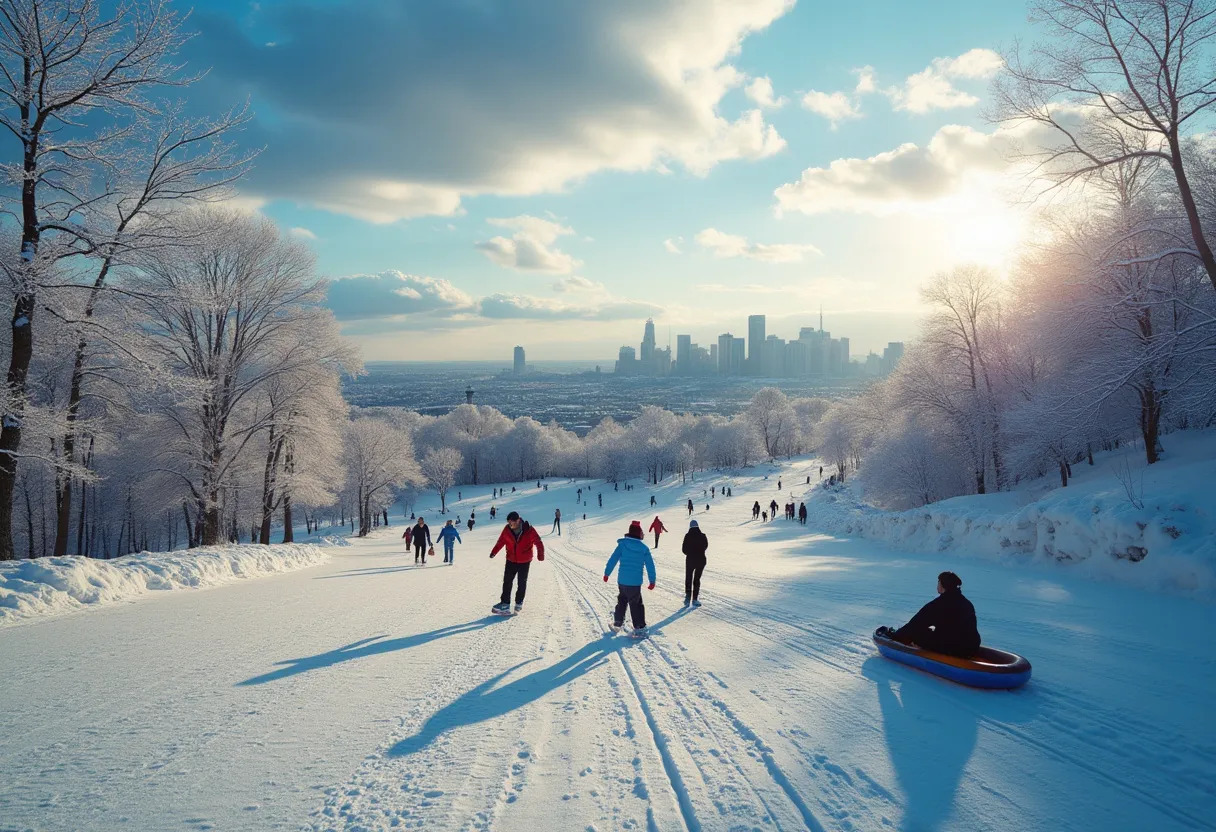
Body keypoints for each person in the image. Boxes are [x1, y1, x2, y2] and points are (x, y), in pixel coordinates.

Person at [883, 571, 981, 656]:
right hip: (972, 647)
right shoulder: (967, 603)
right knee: (931, 630)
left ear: (943, 585)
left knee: (919, 633)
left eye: (938, 582)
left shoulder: (939, 604)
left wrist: (896, 636)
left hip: (953, 647)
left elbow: (915, 624)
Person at [603, 520, 656, 635]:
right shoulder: (644, 549)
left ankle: (617, 623)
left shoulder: (622, 545)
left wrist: (607, 573)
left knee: (622, 601)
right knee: (636, 604)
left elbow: (613, 559)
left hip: (622, 581)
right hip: (635, 583)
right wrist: (652, 581)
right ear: (639, 534)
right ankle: (639, 627)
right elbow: (650, 565)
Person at [490, 511, 545, 614]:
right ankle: (505, 604)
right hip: (511, 559)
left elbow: (538, 542)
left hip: (524, 560)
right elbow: (501, 541)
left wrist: (540, 555)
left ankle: (519, 603)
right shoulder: (507, 530)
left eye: (512, 522)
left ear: (518, 520)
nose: (511, 524)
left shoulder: (528, 529)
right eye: (509, 522)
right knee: (507, 581)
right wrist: (494, 552)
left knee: (521, 582)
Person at [681, 519, 708, 607]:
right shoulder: (703, 536)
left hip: (690, 560)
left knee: (689, 577)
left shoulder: (687, 536)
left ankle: (688, 597)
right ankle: (695, 599)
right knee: (697, 579)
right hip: (701, 560)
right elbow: (706, 546)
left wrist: (690, 553)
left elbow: (684, 549)